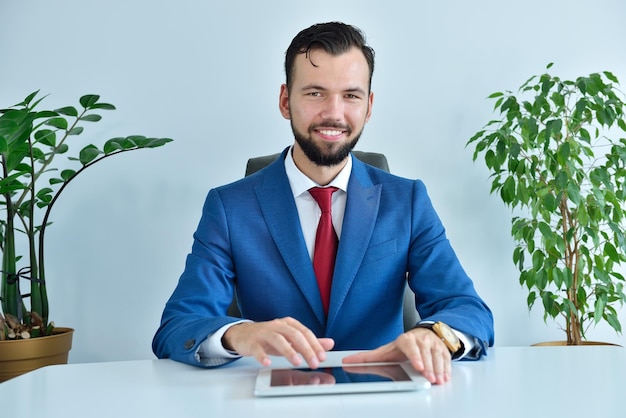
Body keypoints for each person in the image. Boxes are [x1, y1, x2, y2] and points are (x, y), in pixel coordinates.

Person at [152, 21, 494, 385]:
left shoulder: (407, 201)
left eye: (351, 95)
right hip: (274, 401)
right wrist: (240, 334)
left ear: (369, 106)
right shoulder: (228, 207)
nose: (334, 112)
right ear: (286, 101)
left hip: (385, 399)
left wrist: (433, 337)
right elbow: (178, 325)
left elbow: (468, 309)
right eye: (315, 93)